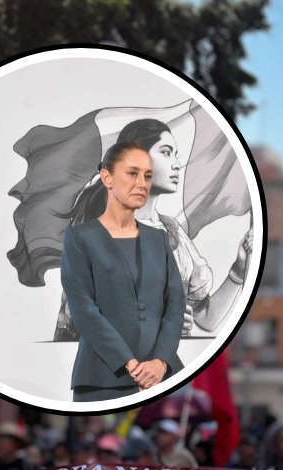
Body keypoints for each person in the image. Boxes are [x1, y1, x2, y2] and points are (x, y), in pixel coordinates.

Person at [56, 118, 252, 340]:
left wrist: (240, 267)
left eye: (175, 154)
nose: (177, 163)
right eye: (166, 152)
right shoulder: (97, 235)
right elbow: (82, 322)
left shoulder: (173, 232)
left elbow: (206, 318)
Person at [60, 140, 185, 402]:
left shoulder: (159, 239)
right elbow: (83, 309)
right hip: (103, 377)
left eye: (148, 176)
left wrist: (160, 362)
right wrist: (131, 365)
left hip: (163, 378)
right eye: (132, 173)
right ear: (107, 176)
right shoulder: (80, 238)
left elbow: (175, 305)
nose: (142, 183)